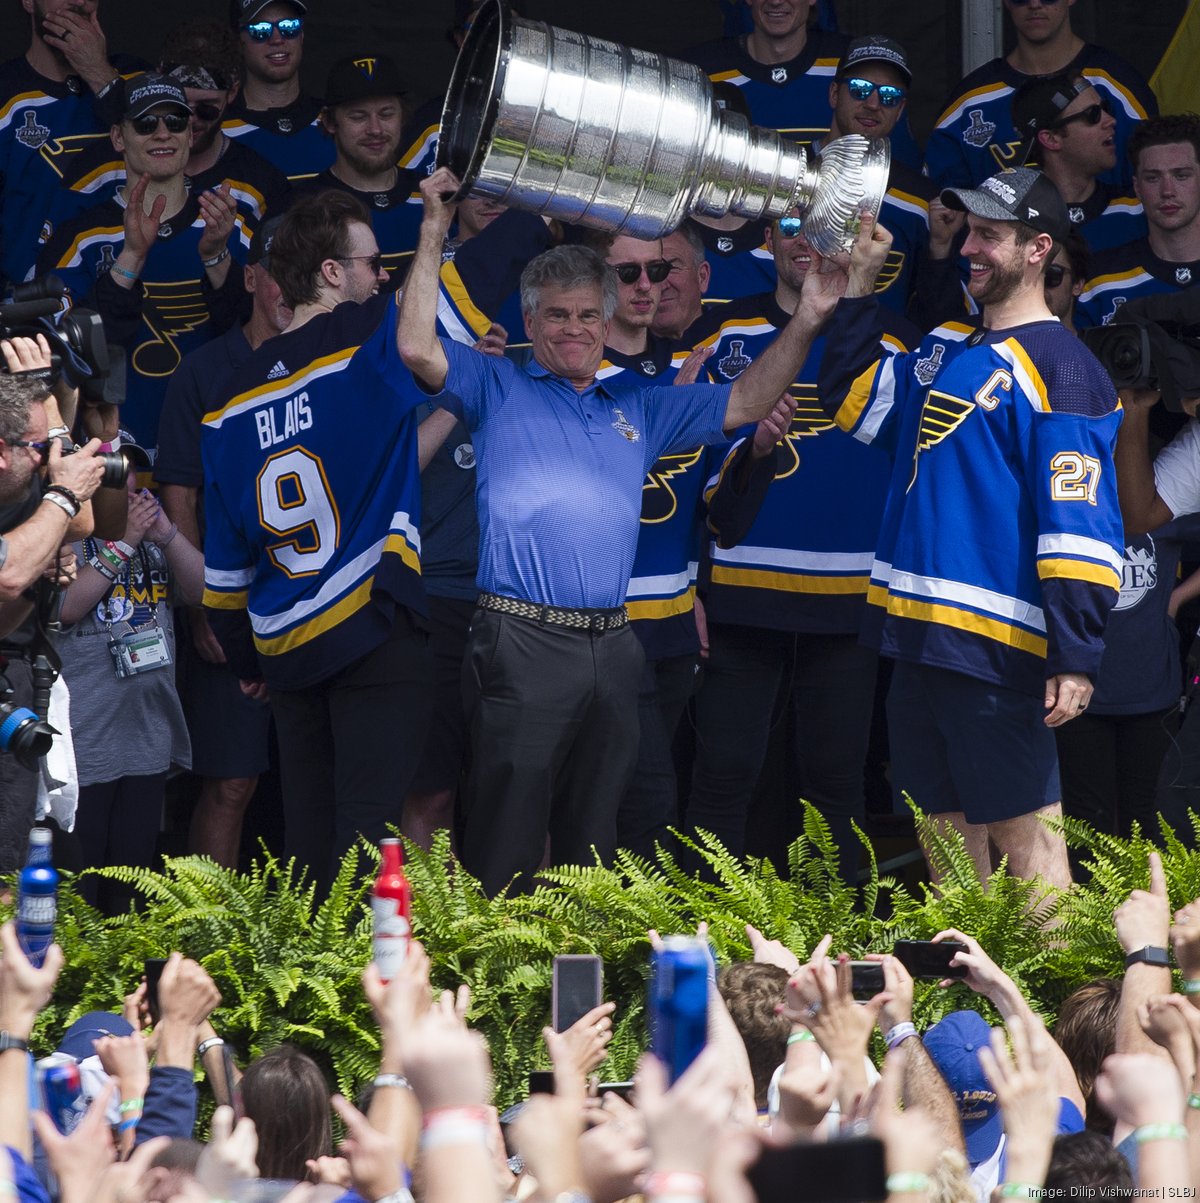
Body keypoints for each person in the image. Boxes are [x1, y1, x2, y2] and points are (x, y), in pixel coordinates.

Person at [398, 164, 845, 897]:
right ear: (531, 320)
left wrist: (808, 318)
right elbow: (417, 347)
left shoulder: (640, 401)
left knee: (594, 845)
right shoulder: (496, 383)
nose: (573, 330)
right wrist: (430, 232)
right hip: (519, 635)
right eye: (557, 315)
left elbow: (746, 401)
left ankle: (581, 992)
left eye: (586, 316)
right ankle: (499, 995)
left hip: (615, 639)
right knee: (507, 837)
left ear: (608, 327)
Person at [201, 188, 550, 892]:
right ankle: (364, 996)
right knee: (367, 833)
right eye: (370, 263)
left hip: (285, 646)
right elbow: (466, 283)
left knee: (306, 836)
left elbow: (225, 568)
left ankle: (301, 996)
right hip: (371, 628)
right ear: (332, 274)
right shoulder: (357, 339)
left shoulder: (229, 396)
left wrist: (249, 656)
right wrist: (492, 220)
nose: (382, 276)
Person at [816, 168, 1125, 890]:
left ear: (1039, 249)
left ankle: (1055, 1000)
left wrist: (1075, 653)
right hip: (917, 632)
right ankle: (971, 991)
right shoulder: (949, 350)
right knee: (944, 838)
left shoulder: (1065, 370)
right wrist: (858, 289)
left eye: (991, 234)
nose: (970, 247)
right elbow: (856, 405)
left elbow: (1079, 527)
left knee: (1028, 835)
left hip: (996, 641)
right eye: (967, 231)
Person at [686, 210, 918, 883]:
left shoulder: (895, 338)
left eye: (825, 231)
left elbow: (915, 466)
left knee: (838, 787)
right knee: (723, 778)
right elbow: (679, 469)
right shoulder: (717, 331)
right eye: (791, 226)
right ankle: (709, 944)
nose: (807, 243)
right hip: (737, 599)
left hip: (849, 604)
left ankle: (836, 956)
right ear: (766, 240)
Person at [155, 217, 288, 869]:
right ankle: (209, 944)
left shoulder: (335, 365)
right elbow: (177, 494)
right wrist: (204, 601)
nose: (289, 284)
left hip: (319, 605)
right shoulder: (206, 371)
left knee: (315, 779)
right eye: (277, 269)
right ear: (252, 276)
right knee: (231, 781)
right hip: (233, 602)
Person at [36, 75, 245, 447]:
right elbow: (62, 357)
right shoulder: (81, 236)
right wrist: (131, 258)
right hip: (114, 455)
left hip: (214, 447)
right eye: (146, 124)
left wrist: (216, 255)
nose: (163, 133)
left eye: (175, 122)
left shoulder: (227, 221)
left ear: (190, 134)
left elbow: (255, 338)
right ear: (119, 137)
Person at [57, 462, 203, 916]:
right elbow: (63, 608)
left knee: (131, 882)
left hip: (147, 733)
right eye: (116, 476)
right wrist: (123, 544)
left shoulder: (152, 542)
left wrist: (166, 534)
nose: (130, 483)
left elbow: (201, 591)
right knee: (81, 881)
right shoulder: (67, 538)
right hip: (87, 738)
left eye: (135, 472)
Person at [0, 350, 105, 874]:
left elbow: (81, 525)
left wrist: (54, 398)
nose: (50, 459)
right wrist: (60, 498)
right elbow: (8, 573)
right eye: (39, 448)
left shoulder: (23, 484)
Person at [50, 22, 290, 244]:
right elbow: (49, 264)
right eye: (180, 109)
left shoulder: (261, 183)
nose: (191, 120)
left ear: (233, 92)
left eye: (206, 109)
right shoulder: (95, 169)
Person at [925, 0, 1156, 192]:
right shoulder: (968, 103)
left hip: (1111, 242)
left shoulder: (1121, 88)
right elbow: (946, 213)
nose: (1034, 4)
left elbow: (1154, 187)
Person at [0, 0, 143, 285]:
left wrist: (98, 72)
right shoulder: (5, 92)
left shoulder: (135, 78)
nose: (78, 1)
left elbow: (164, 152)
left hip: (130, 291)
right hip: (29, 303)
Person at [294, 54, 421, 287]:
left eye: (386, 114)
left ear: (402, 117)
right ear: (330, 123)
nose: (375, 129)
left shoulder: (436, 197)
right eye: (358, 117)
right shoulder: (303, 207)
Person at [1077, 115, 1200, 329]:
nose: (1167, 191)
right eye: (1153, 178)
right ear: (1137, 188)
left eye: (1181, 176)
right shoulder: (1099, 280)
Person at [1010, 71, 1146, 254]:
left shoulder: (1142, 209)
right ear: (1051, 139)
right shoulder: (1010, 221)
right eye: (1093, 114)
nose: (1111, 121)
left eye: (1106, 108)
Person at [221, 0, 333, 184]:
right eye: (260, 30)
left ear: (302, 35)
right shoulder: (216, 130)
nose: (277, 39)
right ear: (238, 43)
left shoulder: (335, 122)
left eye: (289, 27)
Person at [652, 223, 712, 342]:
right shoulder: (609, 354)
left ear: (702, 277)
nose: (662, 286)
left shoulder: (736, 334)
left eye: (672, 268)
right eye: (652, 270)